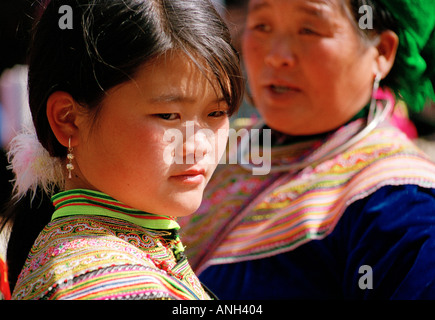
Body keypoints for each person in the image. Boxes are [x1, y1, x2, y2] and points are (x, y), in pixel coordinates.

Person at [178, 0, 435, 299]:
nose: (276, 56)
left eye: (309, 30)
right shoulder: (227, 149)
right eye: (261, 26)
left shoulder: (401, 204)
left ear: (381, 52)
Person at [0, 0, 243, 300]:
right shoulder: (108, 286)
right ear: (68, 120)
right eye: (168, 116)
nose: (198, 147)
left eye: (217, 113)